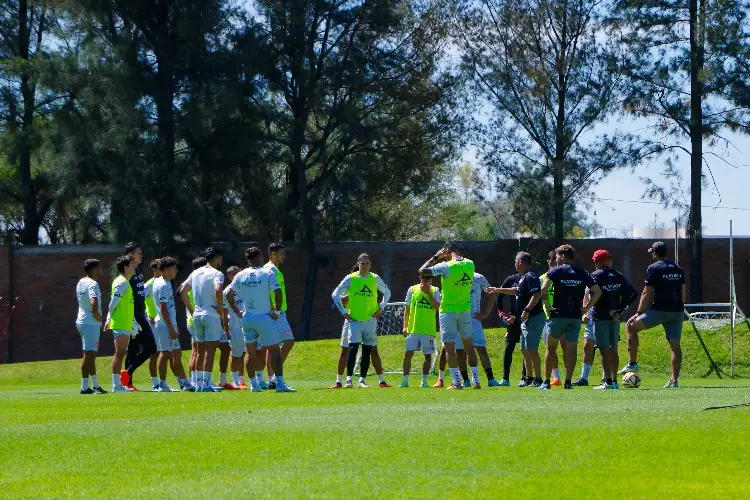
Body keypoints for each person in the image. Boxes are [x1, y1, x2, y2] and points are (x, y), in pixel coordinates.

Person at [227, 247, 295, 392]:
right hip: (264, 317)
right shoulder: (267, 272)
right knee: (275, 351)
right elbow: (278, 292)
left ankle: (254, 385)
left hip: (247, 318)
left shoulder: (240, 275)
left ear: (247, 260)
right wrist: (276, 310)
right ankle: (280, 384)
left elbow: (229, 295)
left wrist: (238, 312)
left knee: (250, 353)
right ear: (260, 257)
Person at [622, 242, 686, 388]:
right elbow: (683, 291)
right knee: (675, 346)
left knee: (631, 326)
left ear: (655, 253)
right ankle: (674, 381)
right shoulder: (678, 268)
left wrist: (638, 312)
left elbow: (646, 292)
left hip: (659, 311)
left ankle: (632, 364)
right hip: (677, 312)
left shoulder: (653, 268)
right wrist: (679, 308)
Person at [539, 244, 602, 390]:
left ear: (563, 256)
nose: (556, 259)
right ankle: (568, 382)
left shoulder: (555, 271)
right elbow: (597, 291)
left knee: (551, 349)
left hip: (558, 316)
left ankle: (546, 381)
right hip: (574, 317)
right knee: (571, 349)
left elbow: (543, 289)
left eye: (557, 256)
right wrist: (586, 308)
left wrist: (548, 306)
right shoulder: (582, 272)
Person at [419, 242, 478, 389]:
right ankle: (476, 381)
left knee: (450, 348)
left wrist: (436, 257)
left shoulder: (446, 266)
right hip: (465, 311)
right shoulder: (470, 264)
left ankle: (457, 383)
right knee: (469, 347)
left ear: (446, 251)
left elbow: (422, 271)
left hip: (448, 311)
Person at [332, 253, 392, 388]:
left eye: (367, 264)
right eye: (362, 263)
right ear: (358, 264)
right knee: (352, 348)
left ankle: (362, 380)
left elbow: (387, 292)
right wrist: (343, 312)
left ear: (370, 265)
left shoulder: (375, 278)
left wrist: (381, 307)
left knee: (367, 350)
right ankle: (348, 380)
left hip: (370, 319)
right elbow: (335, 294)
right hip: (355, 320)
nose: (364, 266)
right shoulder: (351, 278)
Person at [586, 250, 638, 389]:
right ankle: (614, 381)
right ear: (609, 261)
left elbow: (591, 294)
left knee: (604, 349)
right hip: (614, 317)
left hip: (600, 317)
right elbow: (633, 294)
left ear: (597, 262)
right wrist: (619, 311)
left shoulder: (594, 276)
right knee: (613, 349)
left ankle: (608, 381)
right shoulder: (617, 275)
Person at [179, 247, 227, 392]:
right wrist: (221, 308)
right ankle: (206, 384)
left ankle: (199, 384)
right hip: (211, 314)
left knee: (199, 351)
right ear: (218, 257)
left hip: (198, 315)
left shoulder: (195, 272)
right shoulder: (217, 273)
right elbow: (218, 290)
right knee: (210, 351)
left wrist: (192, 310)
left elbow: (182, 291)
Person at [498, 252, 544, 387]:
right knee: (525, 349)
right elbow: (515, 290)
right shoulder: (524, 277)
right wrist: (497, 290)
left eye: (515, 261)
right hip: (526, 319)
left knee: (532, 349)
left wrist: (527, 310)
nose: (514, 264)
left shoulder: (531, 276)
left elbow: (536, 294)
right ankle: (529, 378)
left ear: (520, 262)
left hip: (534, 317)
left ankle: (538, 379)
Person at [120, 242, 157, 391]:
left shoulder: (138, 271)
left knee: (147, 348)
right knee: (140, 348)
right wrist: (131, 319)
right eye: (138, 253)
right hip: (134, 318)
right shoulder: (126, 273)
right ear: (130, 254)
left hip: (142, 317)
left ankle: (127, 375)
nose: (141, 255)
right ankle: (127, 381)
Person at [399, 275, 440, 388]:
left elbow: (438, 307)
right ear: (420, 278)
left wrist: (429, 293)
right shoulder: (412, 289)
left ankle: (424, 381)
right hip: (413, 329)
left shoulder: (435, 290)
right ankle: (405, 381)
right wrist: (405, 326)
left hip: (428, 330)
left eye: (428, 279)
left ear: (431, 280)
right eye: (424, 279)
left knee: (428, 356)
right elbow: (407, 309)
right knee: (408, 355)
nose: (426, 281)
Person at [105, 255, 138, 393]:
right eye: (132, 264)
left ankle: (117, 385)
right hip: (120, 323)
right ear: (125, 267)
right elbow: (113, 304)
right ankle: (116, 386)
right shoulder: (122, 282)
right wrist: (108, 319)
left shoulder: (125, 282)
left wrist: (133, 323)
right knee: (119, 354)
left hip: (124, 324)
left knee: (121, 354)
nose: (135, 266)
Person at [151, 256, 183, 392]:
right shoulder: (163, 285)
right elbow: (163, 308)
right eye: (174, 268)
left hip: (168, 323)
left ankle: (183, 381)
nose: (176, 271)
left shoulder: (162, 281)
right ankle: (162, 384)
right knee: (165, 353)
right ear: (167, 270)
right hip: (165, 325)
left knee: (175, 352)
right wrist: (171, 328)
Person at [264, 243, 293, 389]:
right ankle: (275, 377)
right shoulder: (270, 270)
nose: (284, 256)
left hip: (279, 312)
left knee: (273, 346)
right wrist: (274, 309)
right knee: (289, 341)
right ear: (273, 254)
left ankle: (271, 379)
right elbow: (266, 292)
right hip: (276, 313)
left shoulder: (274, 270)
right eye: (282, 253)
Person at [75, 259, 106, 394]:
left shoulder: (81, 282)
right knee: (88, 354)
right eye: (99, 268)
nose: (101, 270)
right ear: (94, 269)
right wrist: (97, 316)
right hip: (90, 322)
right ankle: (84, 386)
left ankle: (95, 385)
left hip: (81, 321)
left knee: (91, 354)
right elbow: (94, 302)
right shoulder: (93, 284)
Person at [468, 272, 501, 386]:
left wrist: (486, 312)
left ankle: (491, 379)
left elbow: (491, 293)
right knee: (460, 351)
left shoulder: (478, 277)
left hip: (475, 320)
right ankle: (467, 380)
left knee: (481, 349)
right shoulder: (453, 275)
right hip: (459, 318)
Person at [495, 272, 526, 386]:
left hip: (527, 319)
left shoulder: (531, 277)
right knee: (508, 348)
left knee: (526, 349)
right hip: (513, 320)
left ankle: (524, 378)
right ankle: (505, 379)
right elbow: (500, 296)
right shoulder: (511, 279)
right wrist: (502, 314)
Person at [330, 266, 358, 389]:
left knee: (370, 349)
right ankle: (339, 381)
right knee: (345, 350)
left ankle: (362, 380)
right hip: (350, 321)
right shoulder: (348, 285)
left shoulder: (369, 283)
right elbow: (338, 300)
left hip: (365, 321)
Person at [181, 256, 207, 388]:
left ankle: (194, 380)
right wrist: (192, 311)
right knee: (200, 351)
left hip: (191, 319)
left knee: (195, 351)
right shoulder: (196, 281)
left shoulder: (190, 280)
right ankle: (199, 381)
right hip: (195, 319)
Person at [540, 250, 563, 386]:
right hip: (548, 318)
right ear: (548, 262)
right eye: (552, 261)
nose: (554, 263)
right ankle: (556, 377)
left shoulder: (563, 276)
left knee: (566, 346)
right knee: (551, 348)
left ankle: (568, 378)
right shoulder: (542, 278)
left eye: (556, 261)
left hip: (563, 315)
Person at [221, 265, 245, 390]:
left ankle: (242, 380)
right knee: (236, 354)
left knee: (243, 353)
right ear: (229, 276)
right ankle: (235, 380)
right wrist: (226, 329)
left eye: (238, 272)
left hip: (246, 325)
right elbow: (224, 313)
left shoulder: (245, 287)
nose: (236, 275)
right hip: (234, 326)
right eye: (233, 274)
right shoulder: (227, 292)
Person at [144, 259, 163, 389]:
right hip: (152, 323)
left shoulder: (163, 283)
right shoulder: (148, 285)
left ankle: (162, 382)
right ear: (154, 269)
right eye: (159, 268)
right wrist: (147, 315)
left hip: (163, 322)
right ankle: (155, 382)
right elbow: (139, 302)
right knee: (155, 353)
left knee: (165, 352)